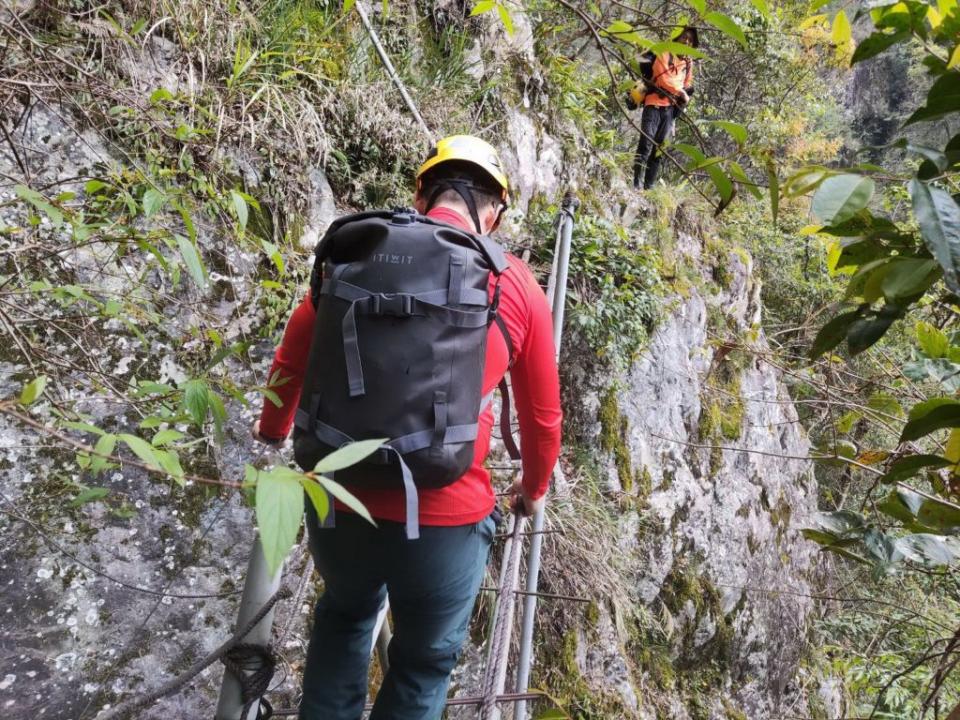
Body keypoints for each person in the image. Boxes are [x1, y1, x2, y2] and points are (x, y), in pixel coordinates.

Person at [251, 134, 563, 720]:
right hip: (447, 516)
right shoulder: (513, 283)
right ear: (493, 210)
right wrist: (533, 490)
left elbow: (291, 361)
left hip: (341, 500)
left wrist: (272, 432)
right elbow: (544, 417)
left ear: (421, 195)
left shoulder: (357, 252)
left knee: (344, 618)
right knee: (422, 665)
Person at [632, 26, 699, 190]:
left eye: (690, 40)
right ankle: (636, 184)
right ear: (677, 38)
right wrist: (681, 92)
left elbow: (687, 84)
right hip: (654, 103)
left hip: (670, 110)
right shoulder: (664, 52)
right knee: (646, 142)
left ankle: (649, 187)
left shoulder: (688, 63)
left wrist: (684, 94)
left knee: (659, 150)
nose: (687, 41)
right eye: (684, 37)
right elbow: (664, 79)